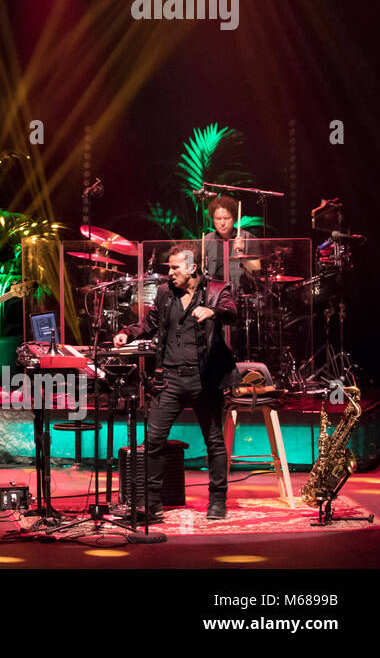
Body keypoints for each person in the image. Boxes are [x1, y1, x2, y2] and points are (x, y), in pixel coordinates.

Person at [114, 243, 238, 520]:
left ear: (192, 268)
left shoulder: (218, 291)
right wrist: (128, 333)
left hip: (203, 379)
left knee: (214, 442)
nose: (169, 273)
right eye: (168, 267)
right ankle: (152, 503)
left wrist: (212, 312)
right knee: (153, 441)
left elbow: (231, 312)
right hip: (169, 378)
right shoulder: (164, 293)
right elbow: (150, 323)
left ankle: (217, 501)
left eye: (174, 267)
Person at [202, 195, 258, 291]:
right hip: (215, 295)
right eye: (218, 219)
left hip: (242, 294)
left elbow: (257, 271)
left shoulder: (248, 238)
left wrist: (243, 255)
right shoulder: (206, 241)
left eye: (226, 218)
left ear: (234, 219)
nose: (222, 223)